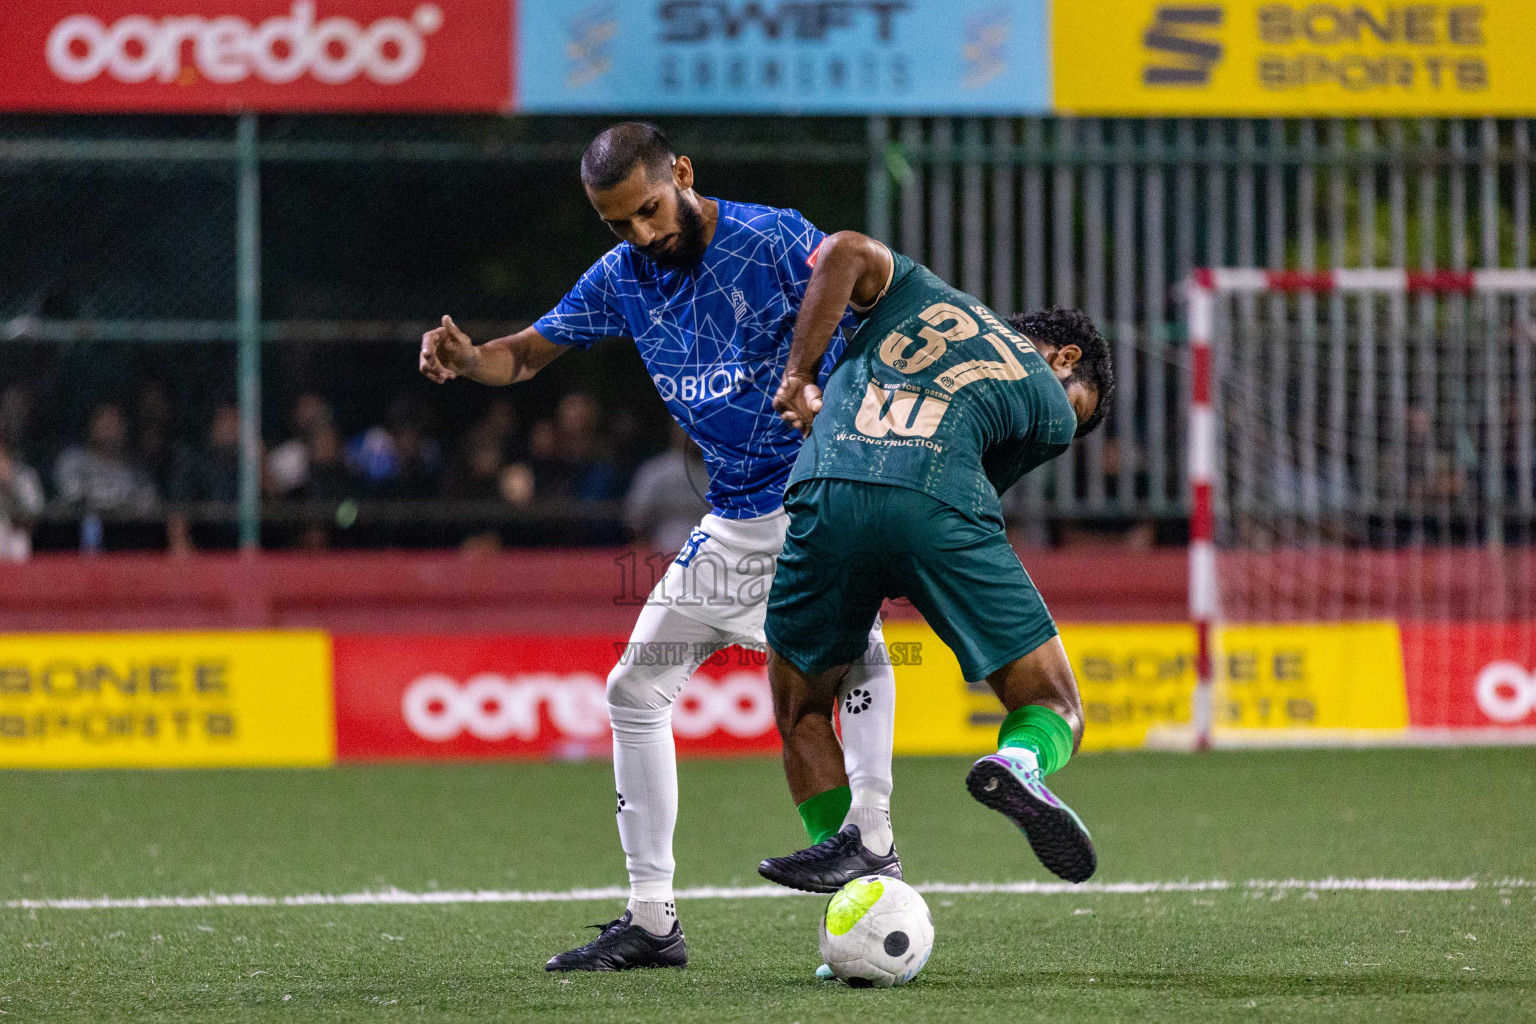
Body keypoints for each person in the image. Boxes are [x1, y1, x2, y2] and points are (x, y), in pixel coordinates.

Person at [419, 122, 899, 972]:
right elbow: (526, 356)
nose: (643, 234)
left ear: (682, 174)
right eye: (619, 223)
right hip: (731, 531)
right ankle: (651, 921)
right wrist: (468, 359)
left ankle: (875, 844)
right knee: (635, 689)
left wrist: (839, 402)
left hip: (817, 505)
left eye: (649, 210)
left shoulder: (773, 238)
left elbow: (873, 316)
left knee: (852, 657)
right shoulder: (623, 279)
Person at [755, 230, 1114, 895]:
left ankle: (866, 876)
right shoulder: (1048, 409)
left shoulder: (920, 291)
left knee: (801, 710)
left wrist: (800, 376)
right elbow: (960, 488)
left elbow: (844, 251)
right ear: (1065, 358)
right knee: (1053, 703)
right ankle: (1020, 763)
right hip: (934, 498)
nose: (1069, 420)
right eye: (1078, 401)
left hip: (823, 485)